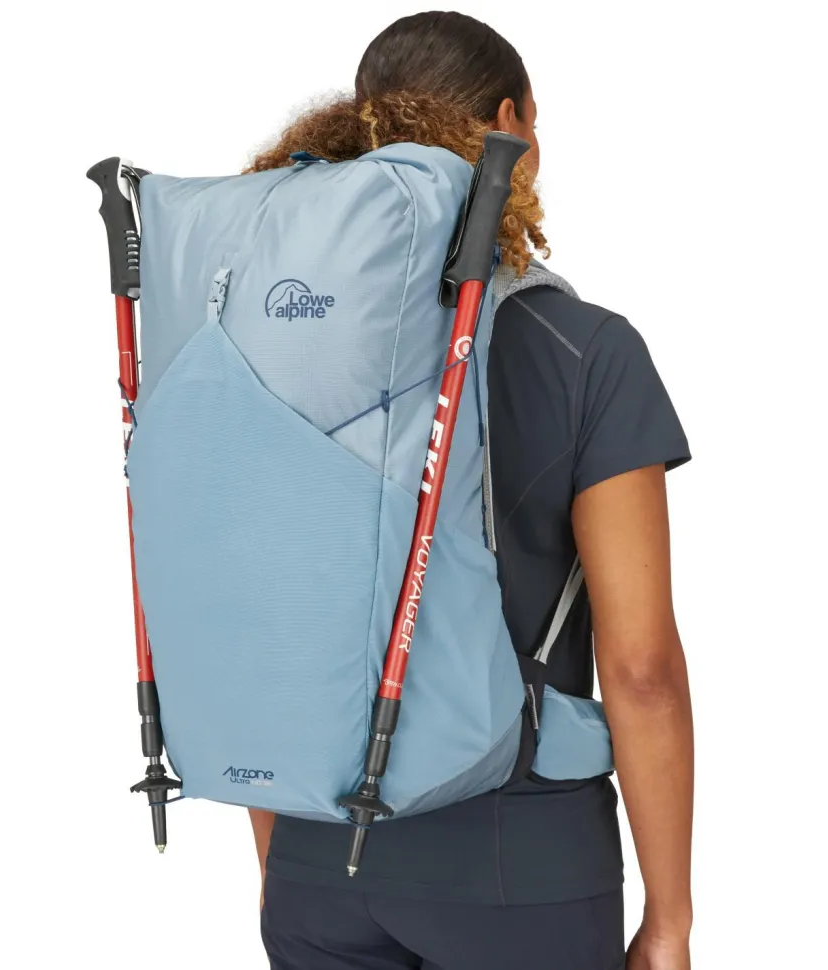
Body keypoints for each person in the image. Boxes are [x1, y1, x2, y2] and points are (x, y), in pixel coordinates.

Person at [247, 12, 694, 970]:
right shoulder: (586, 351)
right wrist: (669, 920)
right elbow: (642, 670)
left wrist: (288, 867)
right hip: (519, 863)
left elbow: (265, 608)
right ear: (507, 124)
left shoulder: (283, 340)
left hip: (317, 853)